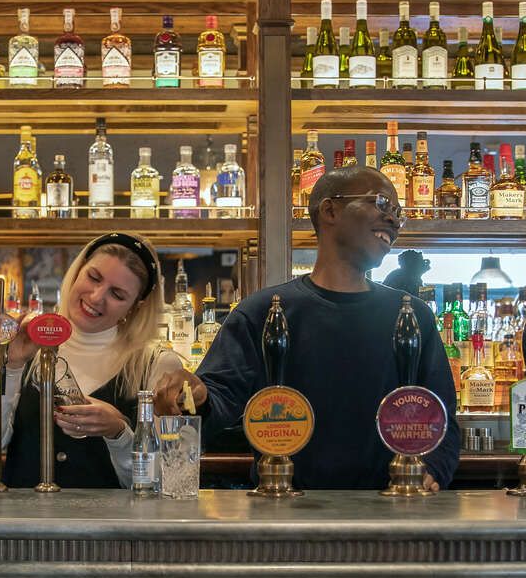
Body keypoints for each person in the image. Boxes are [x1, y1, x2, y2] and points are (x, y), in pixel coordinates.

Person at [164, 162, 461, 490]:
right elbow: (218, 400)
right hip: (286, 510)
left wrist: (434, 469)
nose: (392, 219)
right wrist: (196, 395)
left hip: (392, 508)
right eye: (380, 203)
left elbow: (442, 417)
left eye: (397, 212)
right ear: (330, 210)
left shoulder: (412, 316)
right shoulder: (263, 312)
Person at [0, 232, 181, 489]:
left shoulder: (156, 364)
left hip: (111, 527)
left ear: (136, 305)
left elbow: (160, 481)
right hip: (24, 525)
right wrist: (10, 366)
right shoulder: (29, 346)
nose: (96, 297)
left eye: (118, 294)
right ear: (77, 270)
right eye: (93, 277)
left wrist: (119, 433)